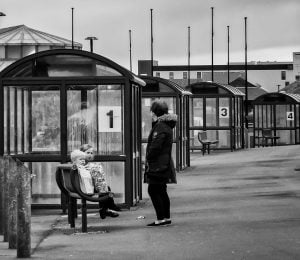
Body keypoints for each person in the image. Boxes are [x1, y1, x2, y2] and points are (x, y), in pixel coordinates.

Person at [144, 100, 177, 227]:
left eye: (152, 111)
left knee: (153, 190)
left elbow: (156, 146)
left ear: (155, 112)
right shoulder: (165, 125)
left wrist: (149, 158)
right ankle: (166, 218)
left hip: (158, 164)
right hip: (164, 163)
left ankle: (161, 218)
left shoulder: (160, 127)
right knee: (161, 190)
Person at [70, 148, 119, 220]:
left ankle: (106, 208)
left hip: (79, 188)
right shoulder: (79, 167)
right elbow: (85, 178)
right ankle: (106, 208)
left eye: (91, 153)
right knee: (105, 190)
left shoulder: (79, 167)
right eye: (88, 153)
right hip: (83, 190)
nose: (89, 155)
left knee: (106, 188)